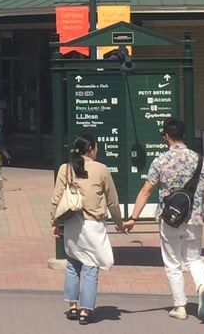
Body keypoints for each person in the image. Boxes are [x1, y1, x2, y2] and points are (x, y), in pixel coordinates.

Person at [124, 116, 204, 321]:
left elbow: (145, 191)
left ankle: (180, 306)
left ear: (165, 137)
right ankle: (202, 286)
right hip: (194, 218)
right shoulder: (200, 161)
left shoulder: (160, 161)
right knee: (194, 259)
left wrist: (133, 218)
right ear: (183, 135)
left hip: (170, 219)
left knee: (172, 263)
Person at [50, 134, 125, 325]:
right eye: (96, 147)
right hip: (94, 225)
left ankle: (73, 307)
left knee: (73, 264)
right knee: (91, 266)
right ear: (91, 148)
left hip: (72, 223)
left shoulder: (65, 169)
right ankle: (85, 310)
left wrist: (54, 222)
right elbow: (112, 199)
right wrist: (119, 221)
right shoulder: (101, 169)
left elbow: (56, 198)